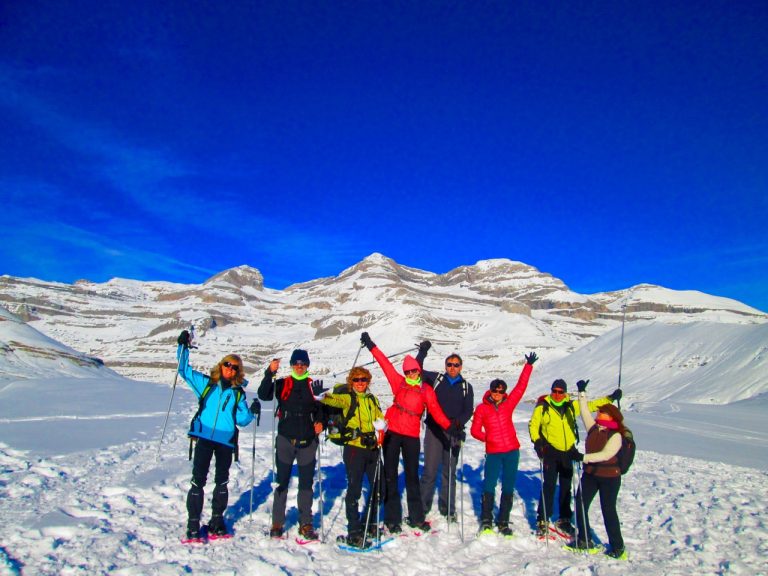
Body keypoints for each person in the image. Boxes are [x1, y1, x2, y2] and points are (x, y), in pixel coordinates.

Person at [360, 332, 453, 534]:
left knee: (412, 477)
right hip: (392, 434)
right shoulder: (398, 382)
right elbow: (384, 363)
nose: (411, 373)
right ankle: (392, 520)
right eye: (408, 371)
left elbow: (436, 411)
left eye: (414, 371)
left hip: (411, 437)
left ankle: (417, 517)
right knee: (391, 476)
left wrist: (450, 427)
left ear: (418, 371)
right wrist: (371, 345)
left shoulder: (426, 390)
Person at [176, 329, 259, 541]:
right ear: (221, 365)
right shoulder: (206, 384)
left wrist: (252, 412)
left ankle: (216, 521)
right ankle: (193, 524)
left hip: (225, 441)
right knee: (198, 481)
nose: (230, 369)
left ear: (238, 372)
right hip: (204, 437)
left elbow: (242, 420)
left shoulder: (238, 393)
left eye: (235, 367)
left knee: (221, 482)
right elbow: (184, 370)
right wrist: (183, 347)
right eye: (227, 365)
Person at [528, 379, 622, 537]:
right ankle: (543, 519)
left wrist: (610, 398)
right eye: (555, 391)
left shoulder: (571, 406)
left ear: (564, 392)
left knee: (566, 487)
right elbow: (534, 425)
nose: (557, 395)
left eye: (560, 392)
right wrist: (538, 443)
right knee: (549, 486)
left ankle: (564, 519)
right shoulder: (543, 407)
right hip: (550, 451)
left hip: (568, 452)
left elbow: (591, 405)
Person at [257, 349, 327, 540]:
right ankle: (277, 522)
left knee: (306, 484)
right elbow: (263, 395)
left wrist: (322, 422)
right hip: (286, 440)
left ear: (307, 365)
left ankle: (305, 523)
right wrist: (269, 373)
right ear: (291, 365)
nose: (299, 366)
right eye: (296, 363)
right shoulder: (282, 384)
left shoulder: (314, 387)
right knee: (281, 482)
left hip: (307, 441)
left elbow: (322, 410)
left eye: (302, 364)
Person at [470, 352, 537, 537]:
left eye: (501, 391)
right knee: (489, 485)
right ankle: (486, 521)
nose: (498, 394)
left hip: (512, 452)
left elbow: (521, 387)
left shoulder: (508, 404)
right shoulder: (482, 409)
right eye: (495, 390)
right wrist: (489, 438)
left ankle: (503, 521)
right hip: (493, 452)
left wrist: (528, 366)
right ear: (490, 390)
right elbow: (475, 431)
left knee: (508, 486)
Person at [320, 366, 386, 548]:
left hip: (372, 448)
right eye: (356, 380)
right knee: (355, 489)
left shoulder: (372, 399)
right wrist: (322, 396)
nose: (360, 383)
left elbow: (379, 418)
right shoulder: (349, 398)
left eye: (363, 379)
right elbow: (335, 400)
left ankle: (370, 523)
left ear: (368, 381)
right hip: (354, 449)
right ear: (351, 381)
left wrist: (381, 426)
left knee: (379, 487)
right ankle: (354, 530)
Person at [566, 379, 628, 560]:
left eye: (602, 412)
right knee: (580, 504)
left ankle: (618, 547)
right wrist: (582, 392)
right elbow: (584, 410)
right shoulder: (594, 428)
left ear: (611, 417)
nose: (598, 412)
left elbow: (605, 455)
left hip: (609, 477)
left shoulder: (616, 435)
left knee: (608, 510)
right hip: (591, 475)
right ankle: (584, 539)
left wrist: (582, 457)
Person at [415, 342, 475, 522]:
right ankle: (422, 507)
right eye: (449, 364)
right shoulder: (436, 379)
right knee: (429, 471)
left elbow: (468, 410)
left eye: (456, 365)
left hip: (453, 433)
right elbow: (417, 369)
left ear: (461, 367)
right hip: (434, 431)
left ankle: (447, 508)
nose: (452, 368)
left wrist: (459, 423)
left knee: (449, 472)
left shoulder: (466, 387)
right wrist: (422, 352)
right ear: (445, 366)